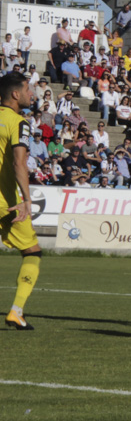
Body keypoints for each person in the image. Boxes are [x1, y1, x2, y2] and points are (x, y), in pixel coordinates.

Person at [0, 74, 39, 329]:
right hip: (6, 202)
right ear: (15, 94)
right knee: (32, 252)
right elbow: (19, 163)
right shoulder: (19, 122)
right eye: (27, 89)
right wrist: (26, 199)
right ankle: (16, 311)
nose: (31, 93)